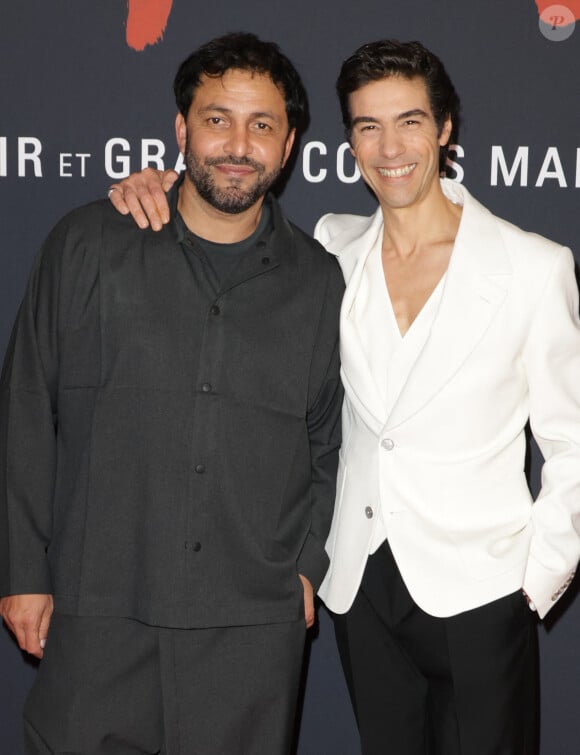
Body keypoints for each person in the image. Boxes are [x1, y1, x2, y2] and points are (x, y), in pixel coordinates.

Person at [111, 39, 580, 755]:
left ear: (446, 127)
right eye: (367, 126)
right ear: (349, 139)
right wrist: (154, 185)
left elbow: (570, 438)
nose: (389, 147)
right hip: (361, 585)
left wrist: (534, 581)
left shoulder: (532, 267)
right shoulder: (332, 249)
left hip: (484, 588)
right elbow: (230, 225)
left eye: (410, 122)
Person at [0, 32, 344, 755]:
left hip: (250, 627)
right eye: (218, 119)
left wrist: (310, 560)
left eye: (262, 126)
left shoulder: (318, 281)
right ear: (182, 129)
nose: (238, 145)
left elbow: (330, 439)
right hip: (99, 609)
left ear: (288, 148)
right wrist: (22, 571)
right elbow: (27, 409)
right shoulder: (88, 243)